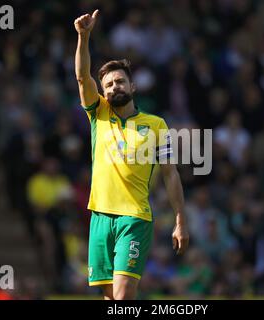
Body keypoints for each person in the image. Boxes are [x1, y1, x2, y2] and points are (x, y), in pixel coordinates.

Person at [73, 10, 189, 300]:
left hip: (134, 218)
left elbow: (169, 173)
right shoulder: (98, 113)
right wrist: (83, 37)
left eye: (120, 82)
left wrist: (180, 220)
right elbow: (81, 76)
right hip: (99, 216)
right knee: (111, 298)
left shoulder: (155, 124)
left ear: (133, 87)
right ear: (104, 92)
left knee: (124, 297)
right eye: (109, 85)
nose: (115, 87)